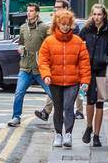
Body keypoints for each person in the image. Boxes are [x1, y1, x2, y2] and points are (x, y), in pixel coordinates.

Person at [38, 8, 90, 148]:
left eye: (68, 24)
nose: (66, 27)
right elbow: (43, 61)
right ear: (57, 24)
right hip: (54, 80)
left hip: (73, 81)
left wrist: (85, 82)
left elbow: (84, 63)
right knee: (58, 107)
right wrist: (46, 75)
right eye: (63, 24)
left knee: (68, 107)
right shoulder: (49, 41)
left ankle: (68, 134)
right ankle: (58, 134)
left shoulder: (78, 42)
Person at [79, 3, 108, 148]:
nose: (96, 17)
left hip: (103, 69)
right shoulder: (86, 29)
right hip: (88, 69)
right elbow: (79, 45)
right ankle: (88, 127)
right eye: (94, 14)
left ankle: (96, 135)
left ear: (104, 15)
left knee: (100, 102)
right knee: (89, 101)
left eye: (99, 14)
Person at [7, 1, 49, 127]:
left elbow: (49, 45)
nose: (28, 13)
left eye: (31, 11)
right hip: (25, 67)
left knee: (52, 92)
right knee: (19, 92)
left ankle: (61, 116)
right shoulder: (23, 27)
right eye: (28, 11)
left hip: (40, 68)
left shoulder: (43, 28)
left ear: (37, 13)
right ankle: (16, 117)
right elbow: (21, 42)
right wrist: (20, 47)